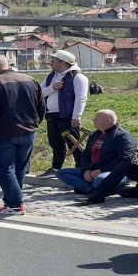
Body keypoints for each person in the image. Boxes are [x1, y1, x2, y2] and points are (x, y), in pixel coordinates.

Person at [0, 55, 44, 215]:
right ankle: (10, 201)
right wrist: (35, 124)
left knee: (5, 169)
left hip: (3, 132)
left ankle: (15, 203)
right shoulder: (30, 80)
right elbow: (41, 106)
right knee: (20, 168)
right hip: (28, 131)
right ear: (8, 64)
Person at [56, 110, 137, 198]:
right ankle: (90, 189)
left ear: (108, 121)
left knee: (100, 179)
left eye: (97, 119)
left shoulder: (123, 136)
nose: (93, 121)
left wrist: (100, 170)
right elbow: (86, 154)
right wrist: (86, 170)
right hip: (94, 170)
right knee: (61, 173)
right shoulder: (95, 134)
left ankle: (90, 187)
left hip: (115, 172)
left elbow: (125, 160)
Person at [36, 50, 88, 179]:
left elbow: (81, 98)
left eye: (53, 61)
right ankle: (55, 168)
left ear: (63, 63)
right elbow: (39, 93)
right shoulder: (50, 77)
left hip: (68, 117)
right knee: (56, 144)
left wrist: (76, 116)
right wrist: (53, 88)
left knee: (74, 144)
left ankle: (81, 168)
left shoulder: (78, 77)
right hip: (52, 116)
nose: (50, 63)